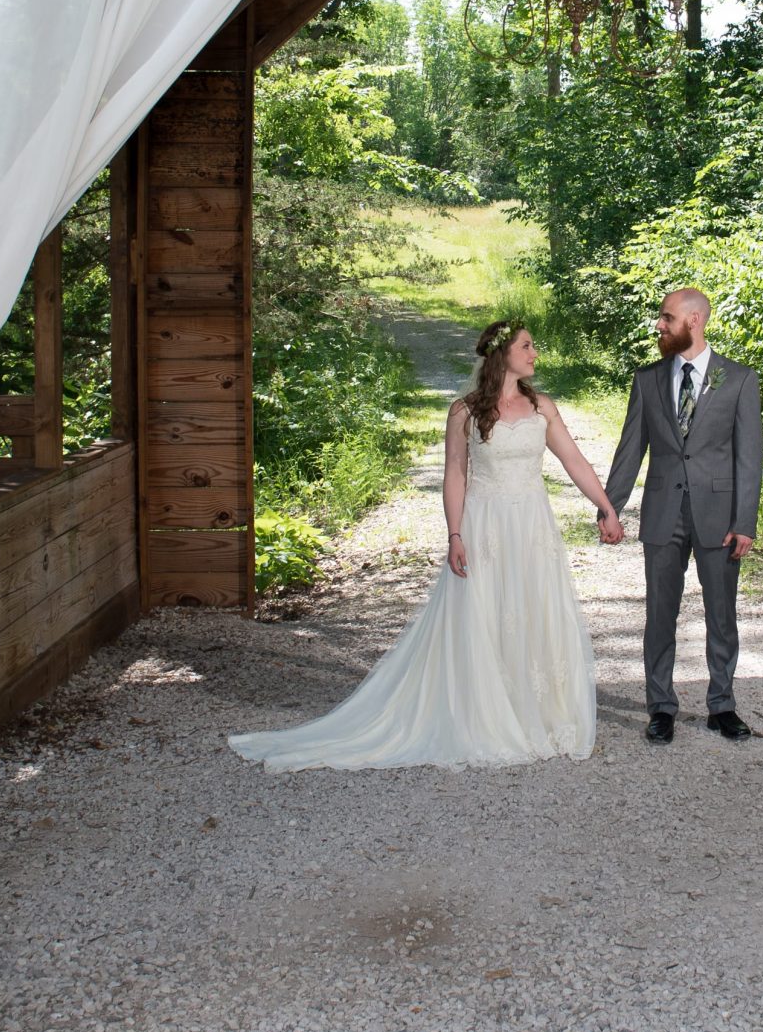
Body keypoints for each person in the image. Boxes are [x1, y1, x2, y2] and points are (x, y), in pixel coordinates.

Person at [227, 321, 619, 771]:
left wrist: (606, 506)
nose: (535, 354)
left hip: (532, 526)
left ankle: (536, 713)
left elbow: (574, 460)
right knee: (485, 614)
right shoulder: (465, 412)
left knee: (532, 609)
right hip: (485, 525)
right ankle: (486, 715)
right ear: (501, 354)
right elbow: (455, 474)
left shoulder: (542, 407)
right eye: (527, 346)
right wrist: (455, 534)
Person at [603, 288, 763, 746]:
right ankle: (661, 707)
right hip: (662, 514)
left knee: (721, 615)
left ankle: (722, 705)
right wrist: (610, 507)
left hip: (720, 518)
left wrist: (745, 521)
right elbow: (630, 449)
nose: (659, 325)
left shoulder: (738, 379)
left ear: (694, 320)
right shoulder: (647, 379)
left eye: (666, 318)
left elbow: (749, 458)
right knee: (660, 615)